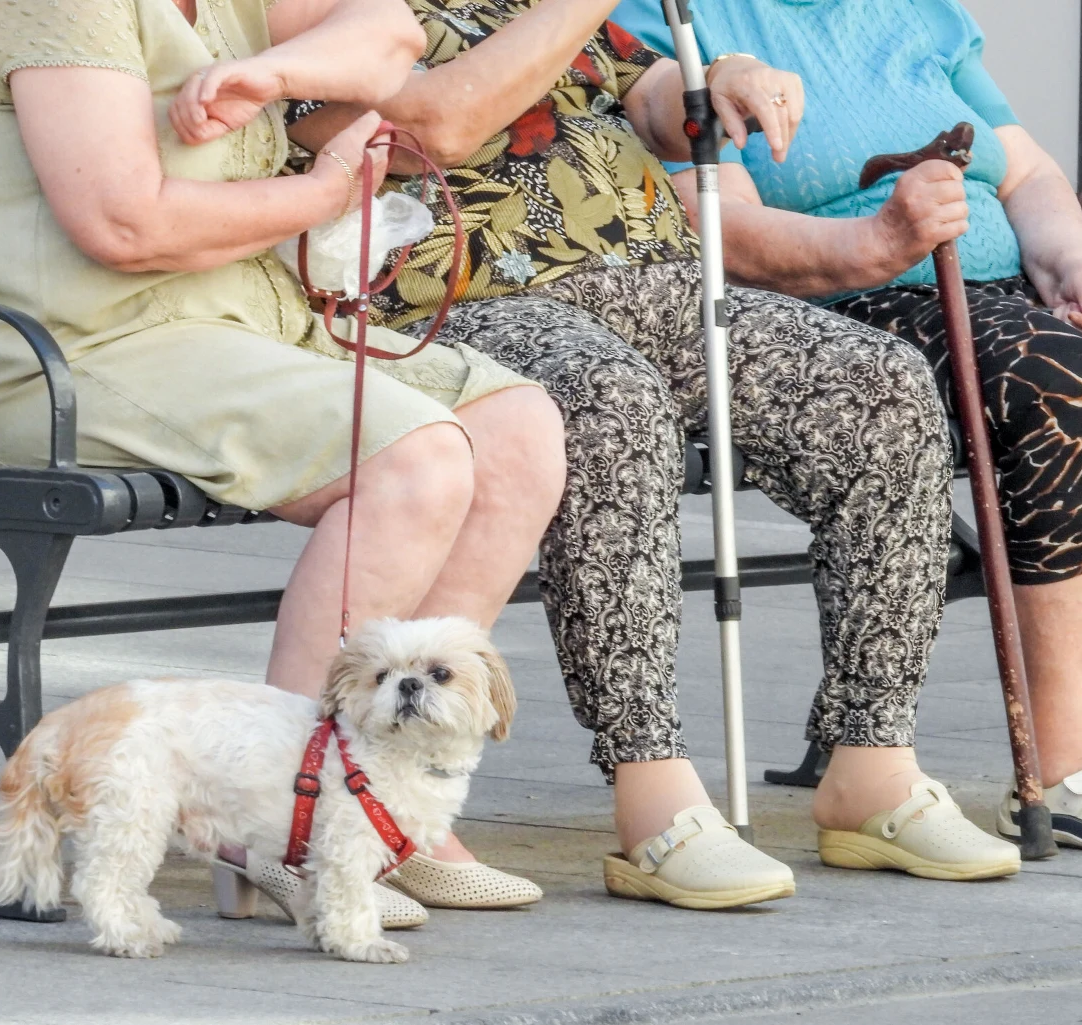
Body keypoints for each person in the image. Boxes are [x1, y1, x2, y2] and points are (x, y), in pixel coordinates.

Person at [285, 0, 1024, 912]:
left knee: (880, 382)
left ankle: (872, 761)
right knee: (610, 404)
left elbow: (650, 98)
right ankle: (653, 791)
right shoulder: (319, 16)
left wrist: (723, 83)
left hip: (654, 275)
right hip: (459, 297)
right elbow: (437, 122)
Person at [614, 0, 1082, 853]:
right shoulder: (675, 24)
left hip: (1004, 284)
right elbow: (725, 228)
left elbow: (1023, 172)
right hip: (855, 301)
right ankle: (1066, 761)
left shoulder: (917, 12)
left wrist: (1072, 263)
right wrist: (876, 239)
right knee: (1063, 387)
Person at [0, 0, 567, 926]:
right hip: (88, 348)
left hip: (246, 316)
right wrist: (324, 195)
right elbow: (124, 225)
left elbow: (392, 30)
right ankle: (289, 821)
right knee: (417, 460)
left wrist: (274, 74)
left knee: (518, 429)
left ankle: (385, 785)